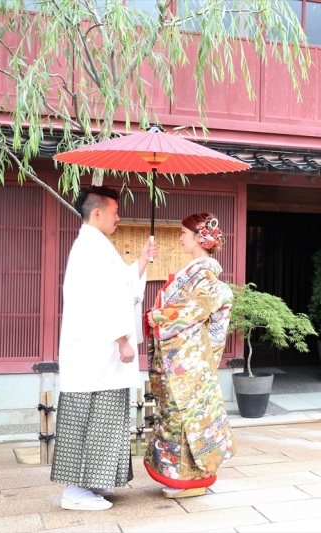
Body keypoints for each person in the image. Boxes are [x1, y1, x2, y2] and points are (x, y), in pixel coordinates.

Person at [51, 186, 158, 511]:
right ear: (96, 213)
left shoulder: (95, 245)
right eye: (114, 211)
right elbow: (99, 299)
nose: (118, 217)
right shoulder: (89, 248)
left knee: (104, 416)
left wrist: (141, 260)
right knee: (88, 416)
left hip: (100, 350)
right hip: (94, 351)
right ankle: (74, 488)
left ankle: (92, 481)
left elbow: (119, 286)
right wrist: (123, 339)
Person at [144, 212, 236, 499]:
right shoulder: (193, 274)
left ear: (199, 238)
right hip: (181, 358)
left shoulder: (205, 276)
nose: (181, 237)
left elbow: (192, 312)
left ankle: (189, 480)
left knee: (186, 420)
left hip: (188, 362)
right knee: (174, 417)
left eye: (184, 233)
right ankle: (179, 476)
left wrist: (156, 316)